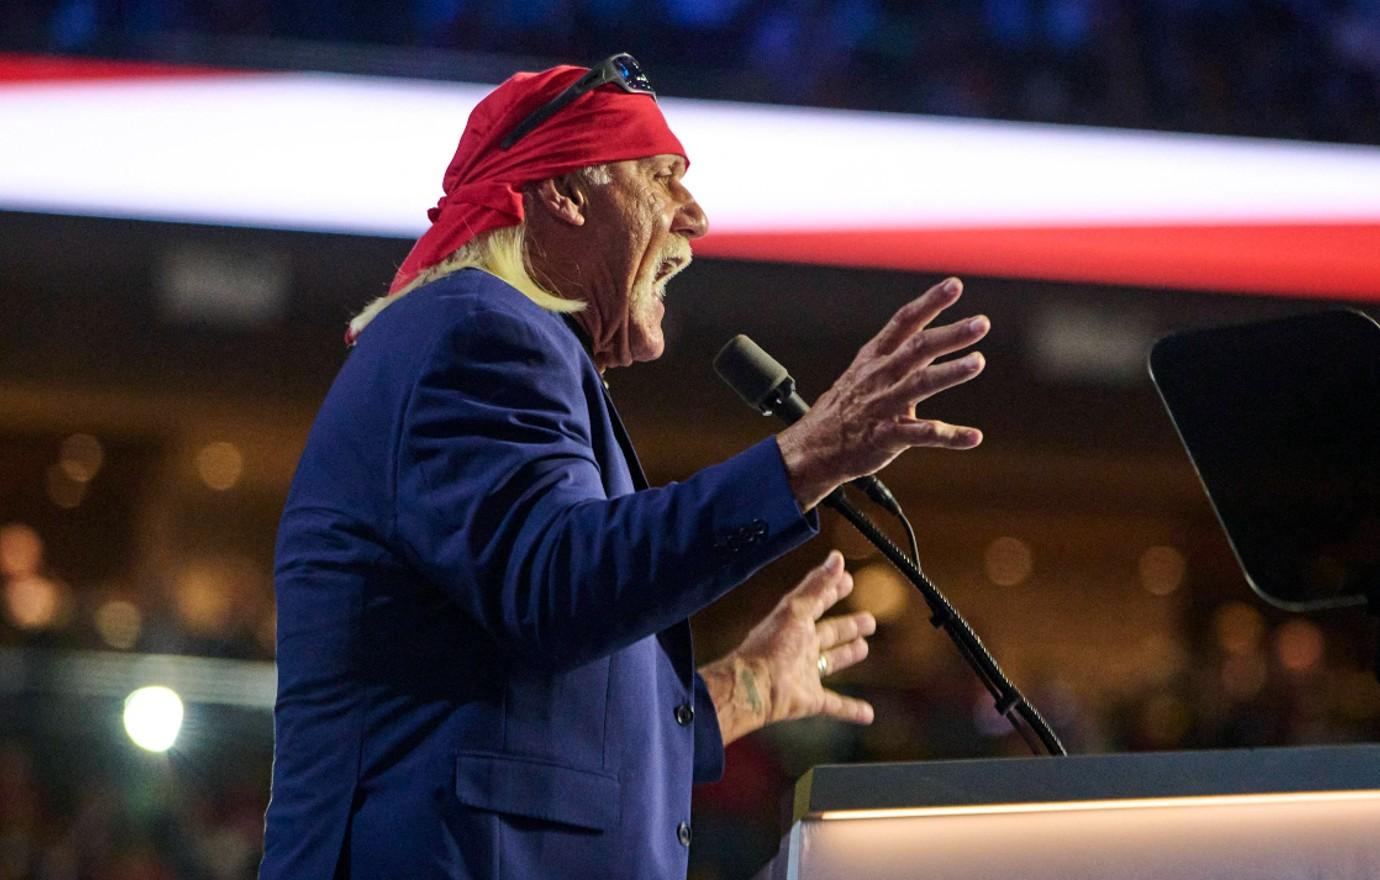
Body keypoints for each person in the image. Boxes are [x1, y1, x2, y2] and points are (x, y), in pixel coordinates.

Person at [259, 54, 989, 880]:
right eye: (662, 177)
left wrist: (747, 687)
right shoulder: (477, 329)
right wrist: (808, 457)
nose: (696, 216)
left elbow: (541, 709)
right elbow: (555, 585)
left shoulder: (494, 344)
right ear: (563, 194)